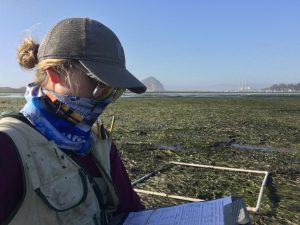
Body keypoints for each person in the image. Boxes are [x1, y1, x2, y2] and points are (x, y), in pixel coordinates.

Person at [0, 17, 146, 225]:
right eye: (100, 86)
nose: (106, 99)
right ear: (55, 73)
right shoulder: (7, 147)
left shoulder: (98, 142)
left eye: (114, 90)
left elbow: (132, 210)